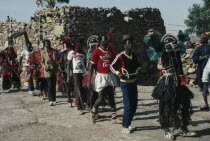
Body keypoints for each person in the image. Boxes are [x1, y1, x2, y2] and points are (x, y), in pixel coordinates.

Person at [144, 31, 195, 139]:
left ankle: (183, 127)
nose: (173, 45)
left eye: (174, 43)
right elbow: (154, 45)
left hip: (177, 82)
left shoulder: (176, 53)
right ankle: (166, 129)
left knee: (184, 102)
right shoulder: (163, 52)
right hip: (167, 82)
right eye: (170, 43)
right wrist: (153, 37)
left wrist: (181, 77)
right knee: (166, 106)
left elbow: (179, 66)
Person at [88, 33, 122, 124]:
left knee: (111, 96)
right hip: (101, 76)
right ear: (100, 41)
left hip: (110, 75)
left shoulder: (110, 51)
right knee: (100, 97)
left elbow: (114, 62)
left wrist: (118, 72)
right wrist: (89, 80)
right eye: (104, 40)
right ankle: (92, 112)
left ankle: (114, 117)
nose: (106, 41)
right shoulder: (96, 52)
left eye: (107, 40)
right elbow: (91, 66)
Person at [110, 34, 141, 134]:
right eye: (128, 43)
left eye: (131, 43)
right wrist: (118, 74)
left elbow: (138, 66)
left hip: (133, 83)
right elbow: (112, 66)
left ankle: (129, 123)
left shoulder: (134, 55)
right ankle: (125, 126)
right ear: (124, 45)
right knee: (127, 105)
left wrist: (139, 70)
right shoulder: (120, 56)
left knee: (134, 105)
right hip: (125, 84)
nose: (130, 44)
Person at [67, 38, 86, 114]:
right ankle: (79, 107)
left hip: (83, 73)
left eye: (80, 45)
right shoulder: (71, 53)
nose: (79, 47)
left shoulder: (82, 53)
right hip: (75, 73)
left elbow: (84, 63)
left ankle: (83, 103)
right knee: (77, 89)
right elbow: (68, 65)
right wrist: (68, 75)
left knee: (83, 89)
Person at [192, 33, 210, 110]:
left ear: (206, 39)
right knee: (204, 88)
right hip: (202, 71)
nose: (200, 39)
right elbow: (195, 59)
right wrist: (204, 57)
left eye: (201, 38)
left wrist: (206, 57)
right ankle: (206, 105)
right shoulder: (199, 49)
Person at [41, 39, 58, 106]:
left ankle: (54, 99)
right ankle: (50, 99)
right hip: (48, 71)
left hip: (54, 70)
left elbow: (57, 59)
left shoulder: (54, 51)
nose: (47, 44)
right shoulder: (43, 52)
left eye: (48, 43)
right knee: (49, 85)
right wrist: (45, 67)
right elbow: (42, 62)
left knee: (53, 85)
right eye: (46, 43)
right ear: (44, 45)